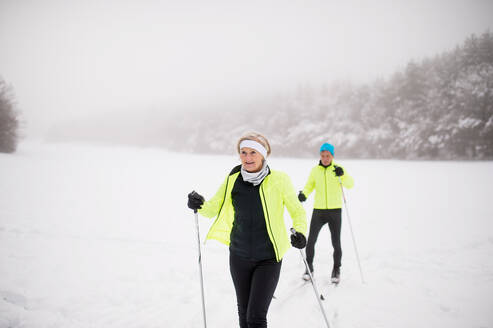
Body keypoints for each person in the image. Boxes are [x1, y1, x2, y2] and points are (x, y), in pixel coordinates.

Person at [187, 132, 307, 328]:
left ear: (263, 155)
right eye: (243, 152)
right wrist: (198, 203)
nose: (248, 157)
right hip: (239, 255)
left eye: (253, 152)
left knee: (256, 318)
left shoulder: (279, 180)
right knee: (244, 314)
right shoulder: (233, 179)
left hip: (269, 257)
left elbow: (297, 210)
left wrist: (300, 232)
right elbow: (212, 208)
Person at [297, 142, 354, 284]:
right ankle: (309, 268)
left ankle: (336, 270)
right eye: (323, 155)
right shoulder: (315, 170)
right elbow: (309, 185)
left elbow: (350, 184)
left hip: (335, 210)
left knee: (336, 243)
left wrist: (343, 175)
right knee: (311, 241)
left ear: (332, 156)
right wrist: (304, 194)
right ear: (320, 156)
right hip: (319, 210)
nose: (325, 158)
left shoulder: (338, 169)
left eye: (328, 156)